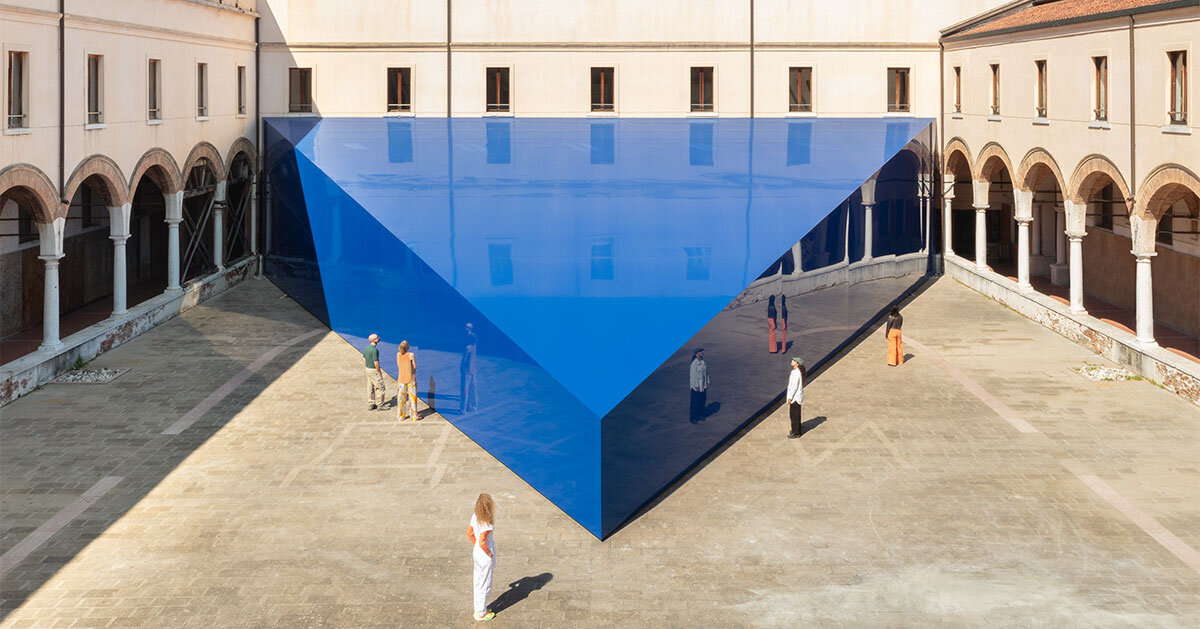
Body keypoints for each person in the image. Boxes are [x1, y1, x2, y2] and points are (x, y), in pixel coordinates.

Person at [467, 493, 497, 621]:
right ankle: (481, 612)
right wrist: (488, 553)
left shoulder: (475, 517)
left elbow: (469, 534)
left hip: (477, 552)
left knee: (478, 581)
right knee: (486, 583)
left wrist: (478, 547)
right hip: (484, 554)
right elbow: (482, 541)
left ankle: (479, 608)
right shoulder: (486, 523)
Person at [396, 340, 418, 421]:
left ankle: (401, 416)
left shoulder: (398, 355)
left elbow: (399, 365)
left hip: (401, 378)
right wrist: (412, 373)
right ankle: (414, 416)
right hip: (410, 378)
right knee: (413, 398)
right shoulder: (411, 355)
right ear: (408, 347)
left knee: (401, 398)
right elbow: (415, 366)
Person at [460, 323, 479, 413]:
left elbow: (464, 360)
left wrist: (461, 368)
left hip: (466, 370)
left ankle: (462, 408)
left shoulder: (467, 348)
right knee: (473, 389)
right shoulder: (474, 348)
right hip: (473, 369)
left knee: (464, 389)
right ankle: (472, 406)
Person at [363, 333, 385, 410]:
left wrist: (367, 366)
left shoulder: (367, 348)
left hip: (368, 369)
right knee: (380, 386)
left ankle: (371, 403)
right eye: (377, 337)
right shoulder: (374, 350)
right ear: (374, 340)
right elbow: (375, 361)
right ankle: (380, 404)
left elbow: (364, 359)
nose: (378, 338)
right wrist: (378, 370)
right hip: (373, 370)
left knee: (370, 386)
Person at [786, 357, 805, 439]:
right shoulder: (796, 372)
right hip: (796, 397)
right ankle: (796, 430)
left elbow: (794, 386)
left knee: (794, 415)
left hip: (795, 398)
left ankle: (796, 432)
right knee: (795, 414)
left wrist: (790, 397)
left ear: (797, 364)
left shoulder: (796, 373)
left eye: (794, 361)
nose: (792, 361)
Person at [689, 348, 709, 423]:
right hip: (696, 388)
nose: (702, 353)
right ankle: (693, 418)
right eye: (700, 352)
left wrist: (707, 383)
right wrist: (696, 386)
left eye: (702, 351)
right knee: (695, 403)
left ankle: (700, 415)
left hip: (703, 386)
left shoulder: (703, 362)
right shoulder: (694, 364)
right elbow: (693, 376)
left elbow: (706, 374)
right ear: (696, 354)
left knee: (702, 401)